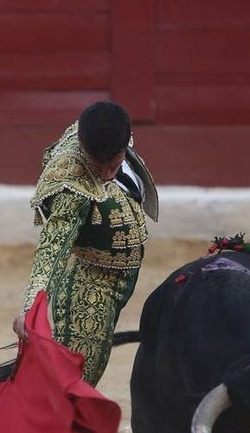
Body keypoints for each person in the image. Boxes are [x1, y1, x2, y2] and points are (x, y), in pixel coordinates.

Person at [13, 101, 158, 388]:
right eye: (97, 164)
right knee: (71, 389)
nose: (105, 174)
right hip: (91, 289)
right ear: (83, 146)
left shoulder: (112, 131)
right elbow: (53, 248)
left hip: (122, 278)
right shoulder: (71, 187)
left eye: (113, 164)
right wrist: (32, 306)